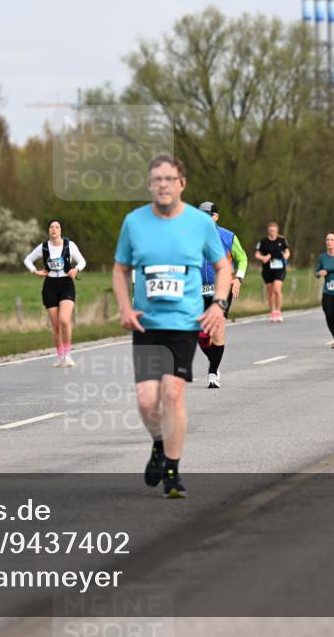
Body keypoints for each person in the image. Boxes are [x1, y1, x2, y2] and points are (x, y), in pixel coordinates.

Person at [112, 155, 230, 499]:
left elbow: (223, 267)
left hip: (183, 323)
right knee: (147, 402)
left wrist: (219, 304)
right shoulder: (134, 222)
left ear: (182, 184)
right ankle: (159, 443)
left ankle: (173, 473)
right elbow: (120, 269)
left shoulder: (200, 223)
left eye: (170, 179)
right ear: (150, 185)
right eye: (157, 179)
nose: (163, 184)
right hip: (147, 324)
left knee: (173, 394)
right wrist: (124, 307)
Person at [197, 201, 248, 389]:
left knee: (217, 331)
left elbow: (242, 258)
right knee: (201, 335)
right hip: (198, 290)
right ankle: (214, 360)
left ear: (215, 217)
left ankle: (212, 373)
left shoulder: (228, 237)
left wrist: (238, 279)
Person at [24, 220, 87, 367]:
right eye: (51, 227)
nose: (54, 229)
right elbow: (27, 260)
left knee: (64, 320)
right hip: (50, 286)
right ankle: (60, 356)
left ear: (60, 230)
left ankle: (68, 355)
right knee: (56, 325)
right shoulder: (43, 247)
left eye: (57, 227)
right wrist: (35, 271)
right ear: (48, 231)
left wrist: (76, 270)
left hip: (66, 284)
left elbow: (82, 261)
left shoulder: (69, 245)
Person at [254, 222, 290, 322]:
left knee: (277, 289)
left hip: (280, 268)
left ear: (277, 231)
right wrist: (263, 257)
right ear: (268, 231)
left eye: (274, 231)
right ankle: (273, 312)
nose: (272, 232)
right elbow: (257, 254)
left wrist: (286, 256)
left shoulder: (282, 240)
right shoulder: (263, 241)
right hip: (267, 269)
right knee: (270, 293)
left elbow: (287, 251)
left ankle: (278, 312)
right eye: (270, 231)